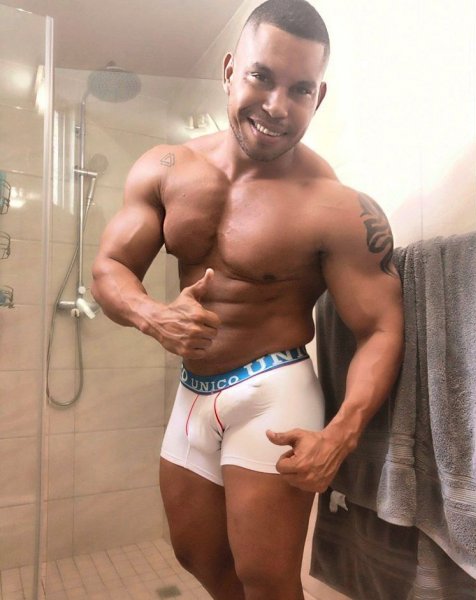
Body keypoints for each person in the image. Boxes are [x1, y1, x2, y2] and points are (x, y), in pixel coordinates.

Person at [91, 0, 404, 598]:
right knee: (197, 555)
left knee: (267, 579)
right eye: (262, 76)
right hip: (193, 389)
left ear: (319, 96)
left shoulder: (334, 205)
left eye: (300, 89)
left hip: (272, 391)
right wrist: (152, 315)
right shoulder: (166, 167)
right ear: (231, 70)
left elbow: (382, 328)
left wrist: (340, 434)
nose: (277, 106)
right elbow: (110, 268)